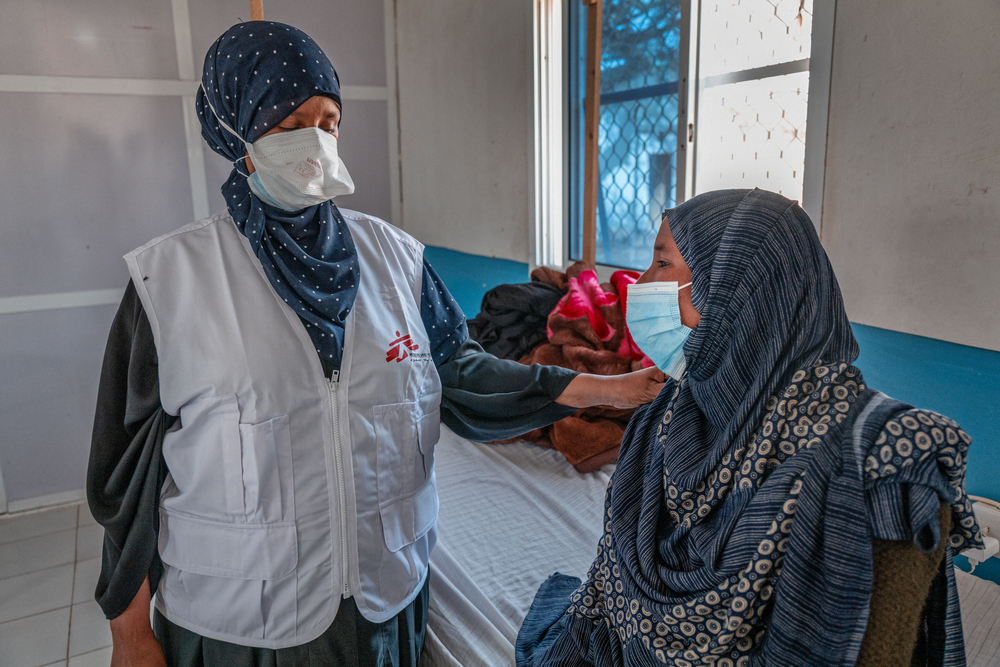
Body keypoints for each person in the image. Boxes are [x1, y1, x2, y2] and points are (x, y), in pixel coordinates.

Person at [87, 22, 666, 667]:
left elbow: (461, 373)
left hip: (385, 604)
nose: (313, 141)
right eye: (286, 126)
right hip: (237, 626)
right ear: (235, 132)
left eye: (328, 122)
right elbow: (127, 477)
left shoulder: (397, 261)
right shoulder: (169, 282)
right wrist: (130, 634)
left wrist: (611, 389)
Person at [515, 189, 983, 667]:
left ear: (735, 288)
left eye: (662, 264)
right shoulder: (671, 410)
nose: (641, 283)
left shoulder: (864, 462)